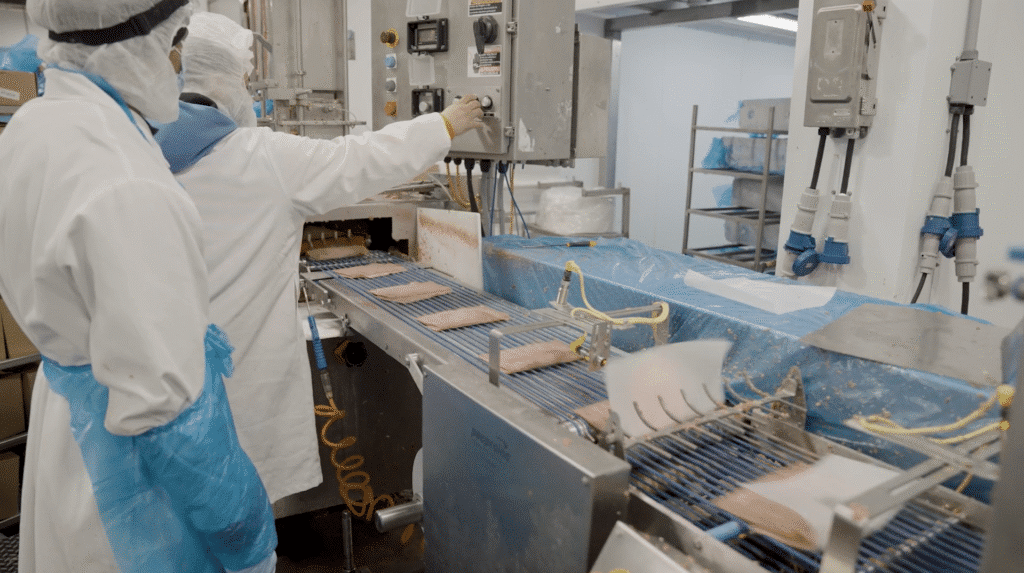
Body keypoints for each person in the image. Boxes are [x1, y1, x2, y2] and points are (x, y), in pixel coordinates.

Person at [154, 11, 484, 504]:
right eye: (246, 79)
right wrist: (443, 124)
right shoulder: (261, 158)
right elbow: (360, 159)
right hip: (239, 385)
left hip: (159, 382)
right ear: (227, 80)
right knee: (233, 515)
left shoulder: (140, 153)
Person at [0, 1, 276, 572]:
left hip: (67, 433)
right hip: (129, 487)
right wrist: (244, 536)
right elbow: (173, 421)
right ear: (131, 41)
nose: (178, 60)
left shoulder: (33, 127)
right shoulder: (127, 184)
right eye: (174, 40)